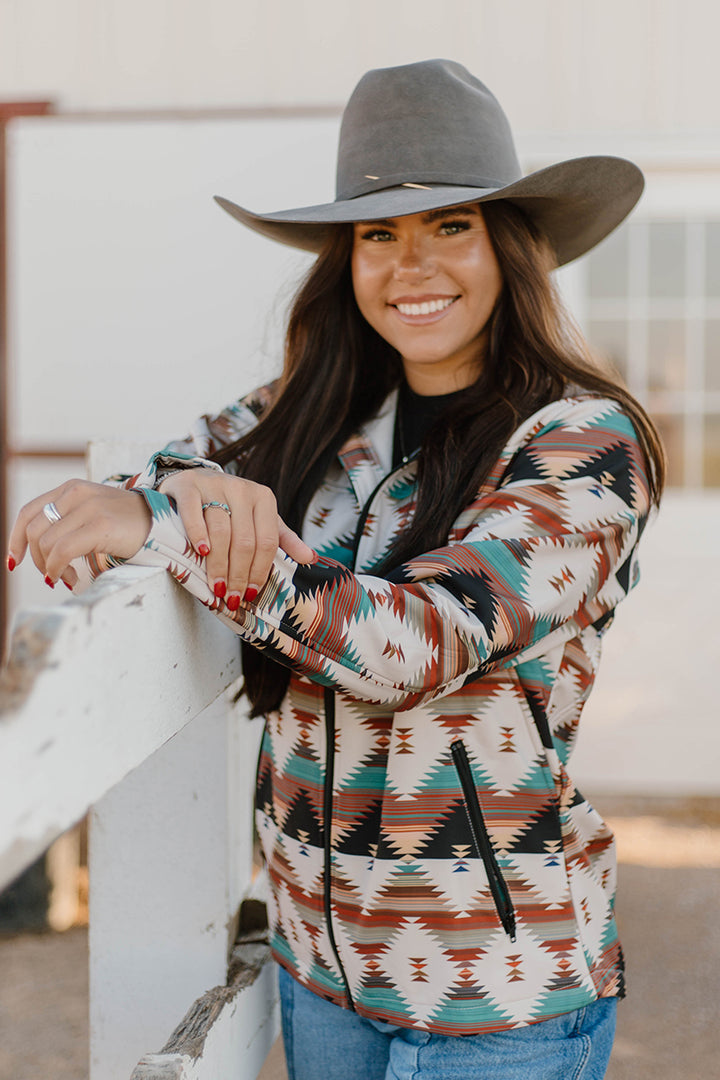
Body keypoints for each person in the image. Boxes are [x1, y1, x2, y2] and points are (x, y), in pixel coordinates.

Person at [8, 60, 664, 1080]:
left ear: (511, 247)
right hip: (321, 977)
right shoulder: (321, 416)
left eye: (451, 225)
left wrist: (178, 531)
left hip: (494, 997)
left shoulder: (581, 442)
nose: (412, 263)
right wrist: (169, 493)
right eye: (376, 233)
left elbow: (415, 643)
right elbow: (180, 463)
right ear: (344, 259)